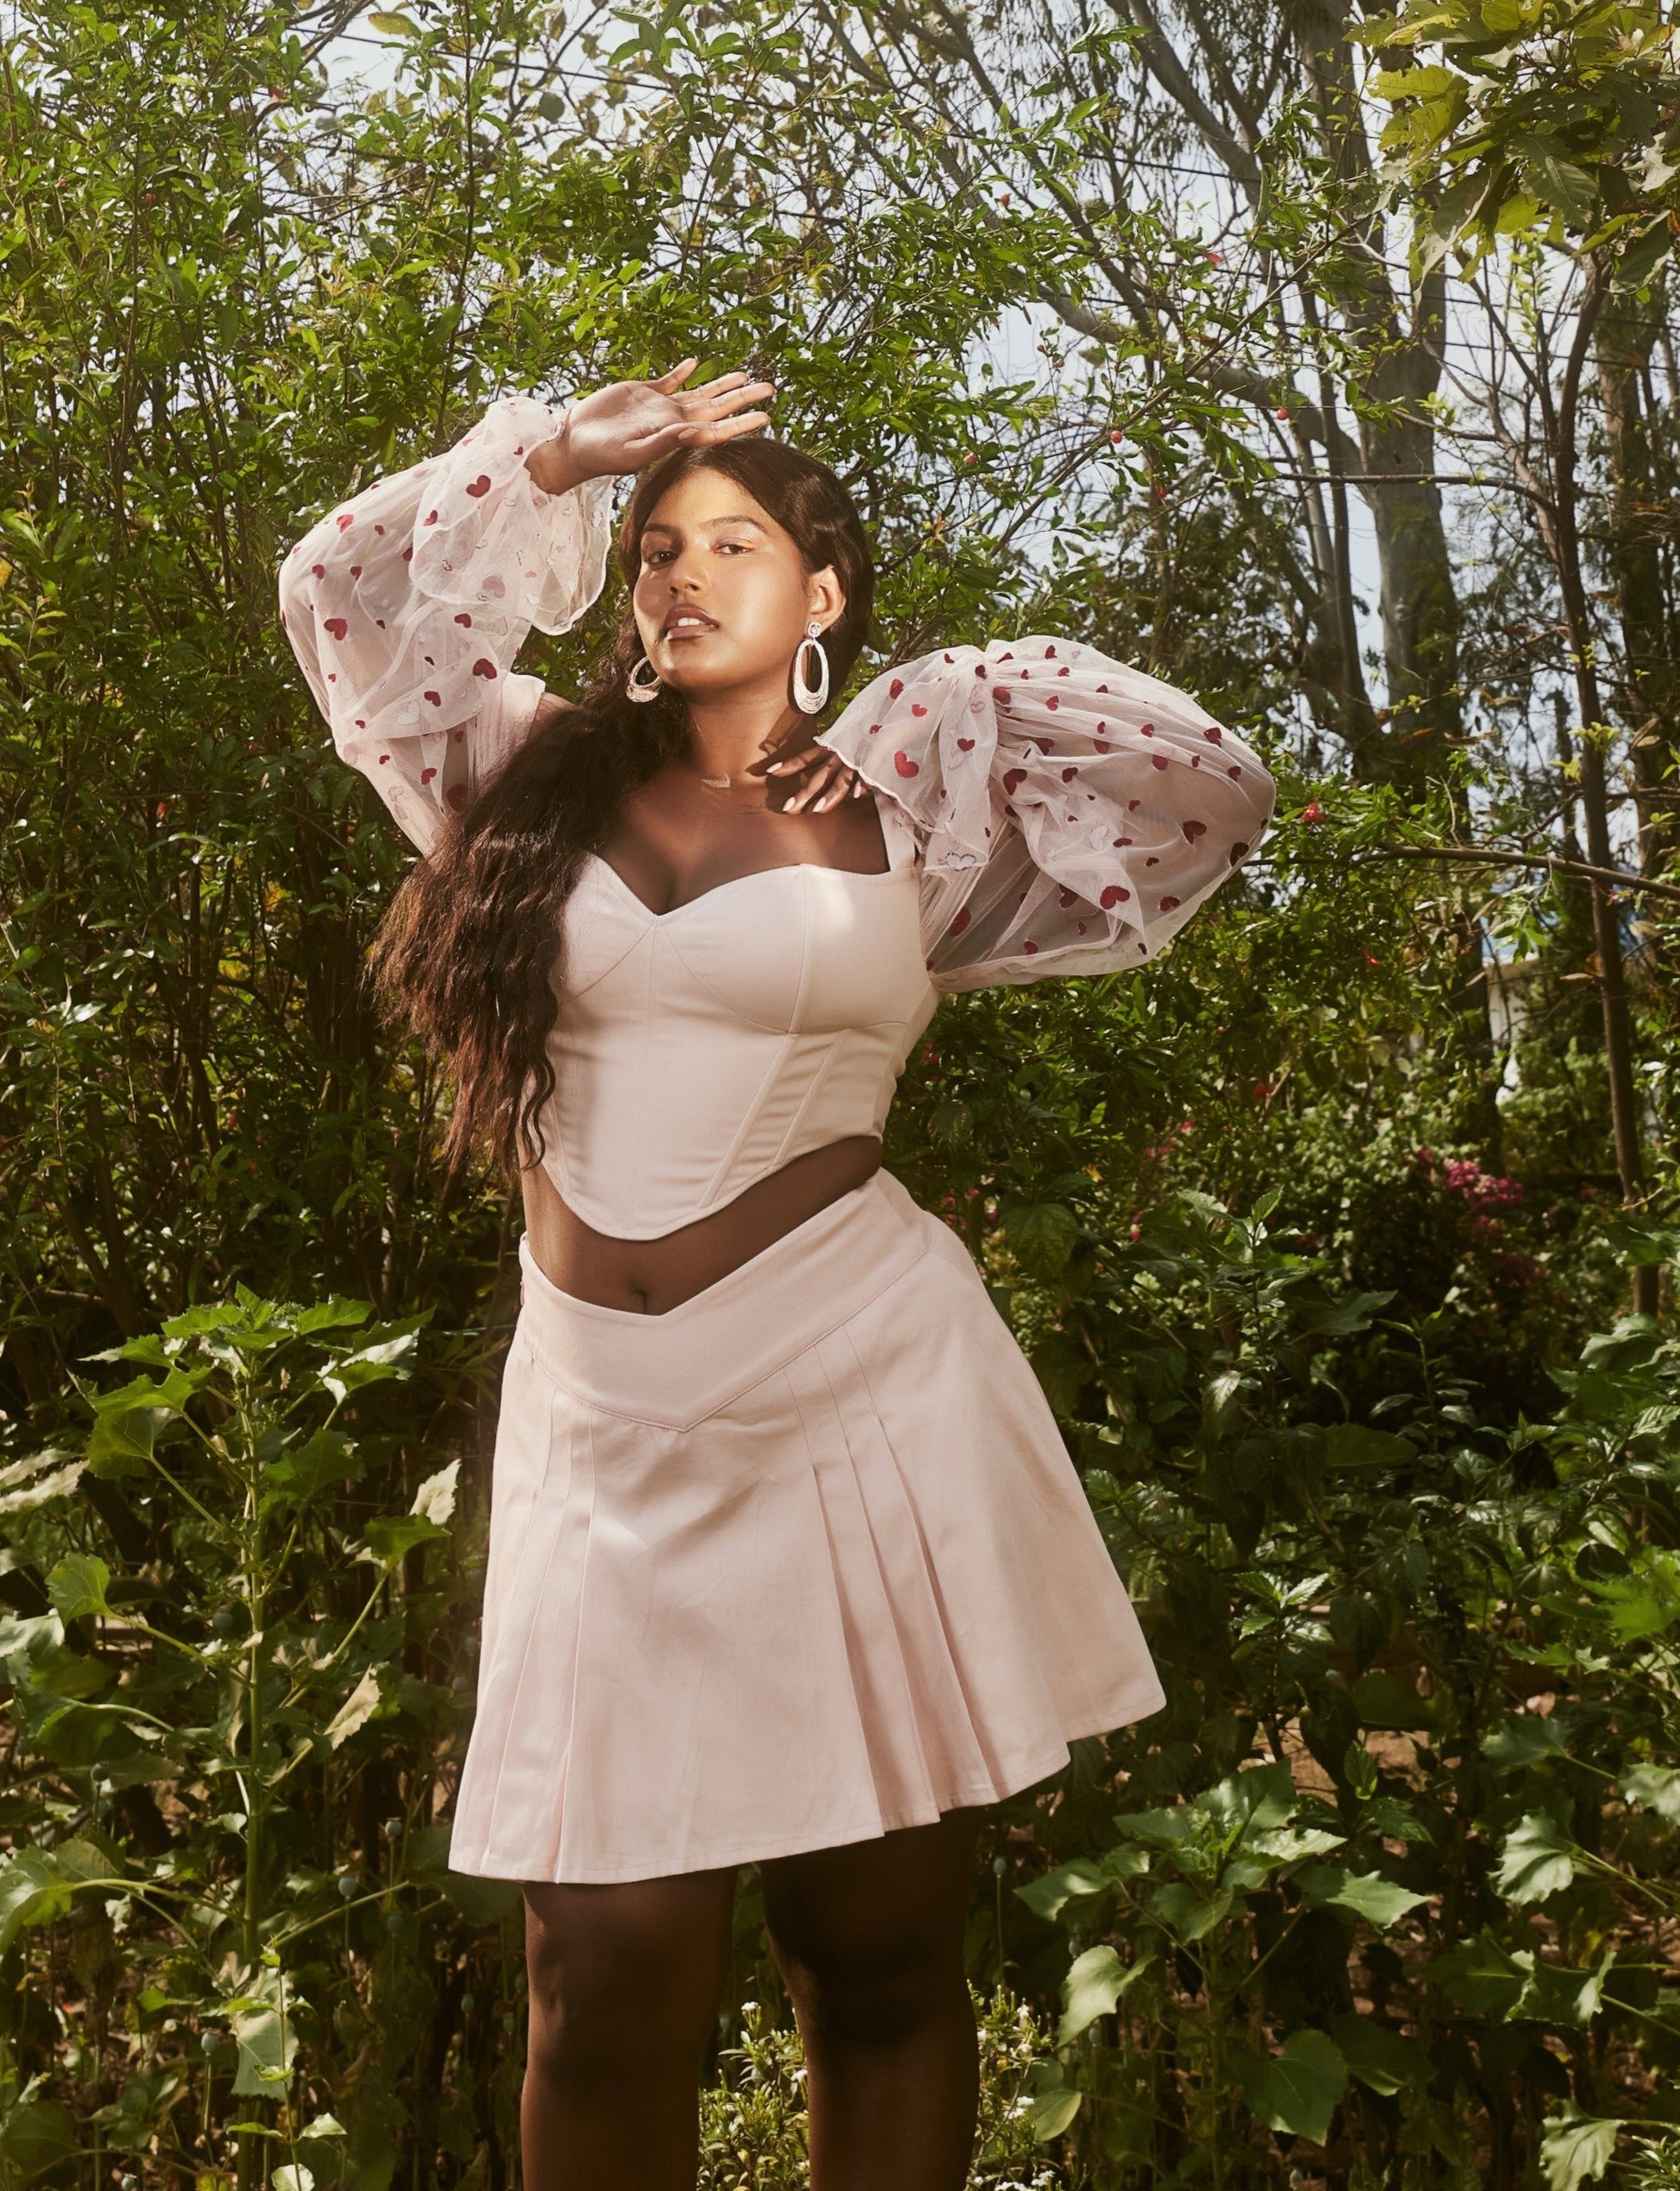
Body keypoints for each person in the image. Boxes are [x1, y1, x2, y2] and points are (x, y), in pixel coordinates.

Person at [278, 360, 1276, 2191]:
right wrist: (551, 458)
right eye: (658, 544)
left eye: (736, 541)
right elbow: (339, 596)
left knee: (876, 1947)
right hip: (602, 1426)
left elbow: (1214, 789)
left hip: (856, 1384)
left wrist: (952, 706)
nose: (682, 569)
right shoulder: (509, 774)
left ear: (823, 598)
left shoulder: (911, 813)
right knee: (600, 1969)